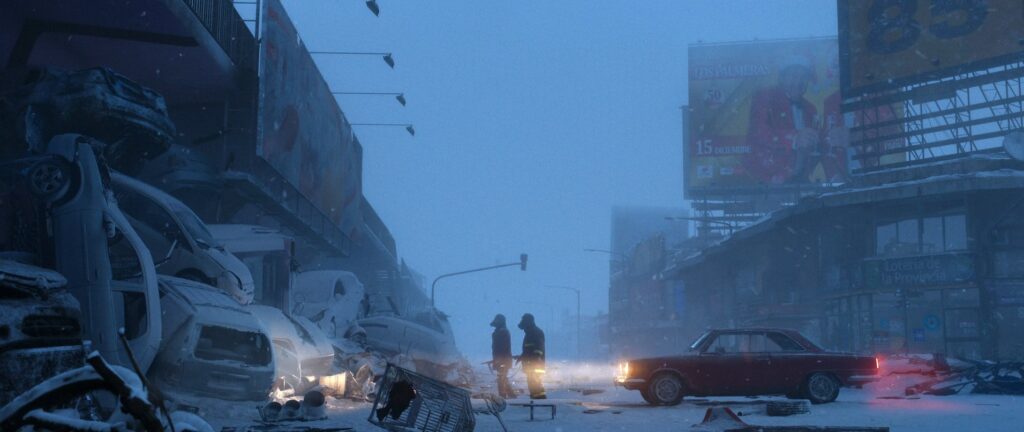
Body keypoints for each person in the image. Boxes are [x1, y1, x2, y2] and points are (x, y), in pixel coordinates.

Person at [744, 55, 820, 184]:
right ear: (782, 78)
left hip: (801, 180)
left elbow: (814, 147)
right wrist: (794, 138)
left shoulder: (810, 109)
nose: (798, 82)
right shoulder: (765, 97)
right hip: (768, 179)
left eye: (803, 77)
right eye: (794, 76)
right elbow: (758, 131)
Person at [517, 313, 546, 399]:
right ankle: (535, 400)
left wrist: (535, 359)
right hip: (531, 363)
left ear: (528, 322)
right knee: (532, 383)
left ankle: (540, 401)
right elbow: (528, 349)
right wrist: (522, 356)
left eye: (523, 321)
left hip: (535, 364)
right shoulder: (530, 332)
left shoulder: (536, 332)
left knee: (535, 383)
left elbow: (538, 348)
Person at [490, 314, 515, 398]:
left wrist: (498, 360)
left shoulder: (503, 332)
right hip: (501, 360)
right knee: (503, 378)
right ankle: (512, 396)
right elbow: (497, 349)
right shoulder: (500, 332)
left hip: (503, 360)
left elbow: (502, 348)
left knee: (501, 379)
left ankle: (503, 397)